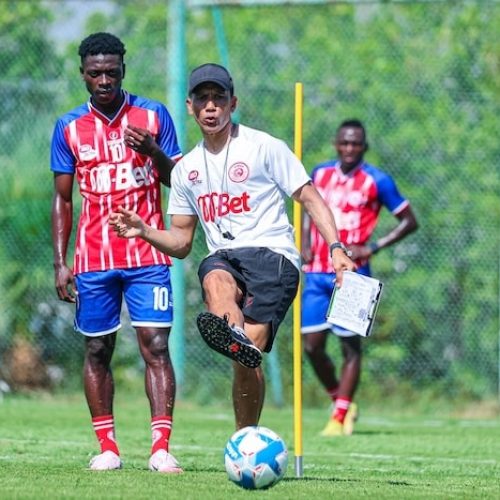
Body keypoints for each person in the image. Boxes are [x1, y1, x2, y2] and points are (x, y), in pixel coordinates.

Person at [109, 63, 356, 430]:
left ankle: (245, 436)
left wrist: (336, 248)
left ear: (232, 103)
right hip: (224, 257)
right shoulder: (184, 170)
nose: (211, 106)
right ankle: (233, 334)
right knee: (214, 276)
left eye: (219, 98)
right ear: (190, 107)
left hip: (273, 256)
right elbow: (180, 242)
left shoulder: (263, 146)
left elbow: (311, 198)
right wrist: (145, 230)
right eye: (203, 99)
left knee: (247, 360)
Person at [50, 32, 183, 472]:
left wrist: (155, 151)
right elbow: (63, 200)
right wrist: (60, 261)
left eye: (111, 71)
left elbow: (177, 182)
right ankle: (108, 447)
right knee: (97, 350)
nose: (104, 80)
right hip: (93, 260)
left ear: (123, 69)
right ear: (83, 75)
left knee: (156, 345)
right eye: (95, 73)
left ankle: (161, 448)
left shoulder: (153, 114)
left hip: (148, 254)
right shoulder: (69, 127)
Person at [301, 118, 419, 437]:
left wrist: (373, 246)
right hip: (316, 272)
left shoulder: (377, 180)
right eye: (344, 142)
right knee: (311, 345)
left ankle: (338, 418)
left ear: (364, 147)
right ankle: (341, 400)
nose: (349, 148)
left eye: (356, 143)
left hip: (354, 273)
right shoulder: (319, 174)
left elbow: (409, 220)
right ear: (336, 144)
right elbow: (306, 209)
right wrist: (303, 245)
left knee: (350, 346)